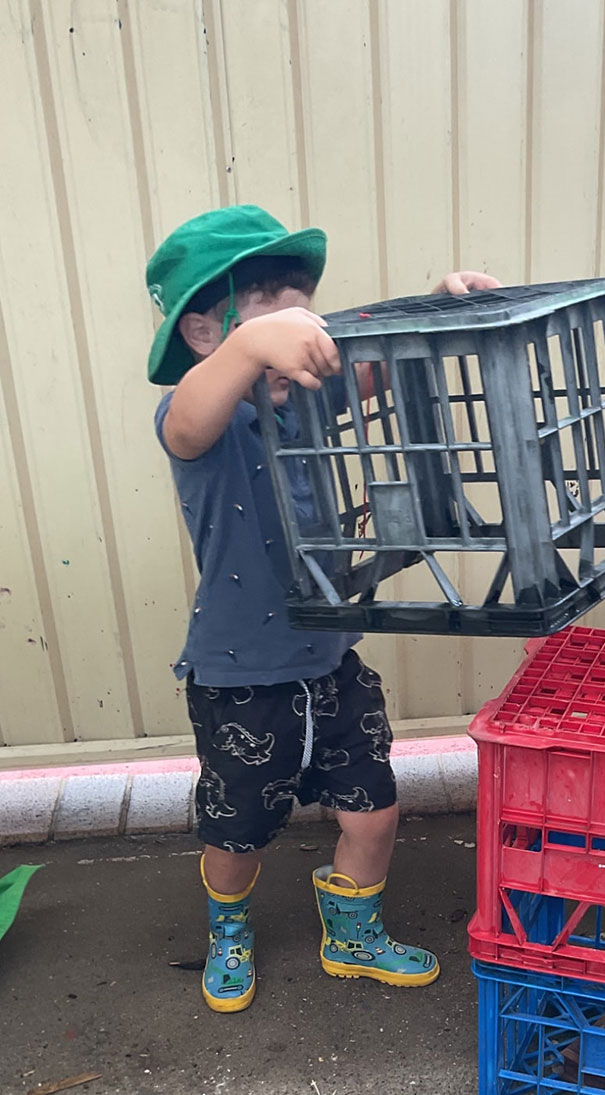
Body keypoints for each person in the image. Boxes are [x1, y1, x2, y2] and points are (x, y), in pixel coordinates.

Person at [146, 204, 499, 1012]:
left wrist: (436, 301)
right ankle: (227, 929)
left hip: (332, 662)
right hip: (241, 677)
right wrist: (246, 346)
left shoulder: (293, 405)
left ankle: (353, 934)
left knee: (374, 814)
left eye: (301, 300)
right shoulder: (197, 417)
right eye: (267, 300)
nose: (297, 319)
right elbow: (191, 418)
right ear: (205, 331)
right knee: (236, 835)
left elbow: (368, 367)